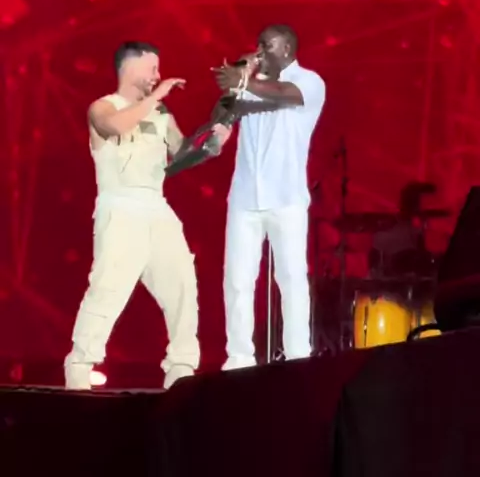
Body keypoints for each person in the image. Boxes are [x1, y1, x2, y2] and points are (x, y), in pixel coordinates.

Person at [64, 41, 230, 390]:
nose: (158, 75)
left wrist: (210, 145)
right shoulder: (103, 107)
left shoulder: (161, 114)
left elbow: (180, 154)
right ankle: (80, 365)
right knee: (108, 289)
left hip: (156, 206)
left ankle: (182, 367)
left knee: (183, 284)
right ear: (129, 67)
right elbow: (114, 127)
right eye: (152, 68)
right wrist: (154, 98)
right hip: (120, 205)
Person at [213, 25, 326, 370]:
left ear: (287, 48)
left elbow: (283, 94)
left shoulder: (309, 81)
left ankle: (297, 357)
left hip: (286, 196)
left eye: (267, 45)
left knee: (291, 279)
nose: (260, 51)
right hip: (245, 197)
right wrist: (240, 79)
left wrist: (245, 81)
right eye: (258, 44)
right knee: (237, 279)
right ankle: (239, 357)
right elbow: (223, 112)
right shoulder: (252, 82)